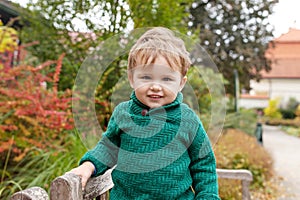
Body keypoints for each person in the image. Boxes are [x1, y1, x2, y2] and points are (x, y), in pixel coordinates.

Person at [69, 27, 220, 199]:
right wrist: (88, 166)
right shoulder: (123, 113)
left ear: (181, 83)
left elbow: (203, 164)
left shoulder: (187, 120)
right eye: (146, 77)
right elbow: (108, 148)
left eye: (167, 79)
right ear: (132, 78)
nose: (156, 86)